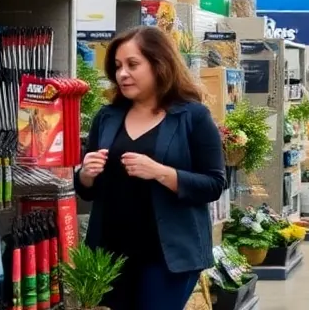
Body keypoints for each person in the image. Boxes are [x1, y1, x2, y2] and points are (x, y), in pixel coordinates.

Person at [75, 26, 227, 310]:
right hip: (111, 255)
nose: (122, 74)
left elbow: (214, 184)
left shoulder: (192, 116)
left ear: (159, 65)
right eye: (118, 66)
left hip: (167, 256)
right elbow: (88, 191)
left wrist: (160, 172)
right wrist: (85, 174)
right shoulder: (107, 118)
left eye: (133, 64)